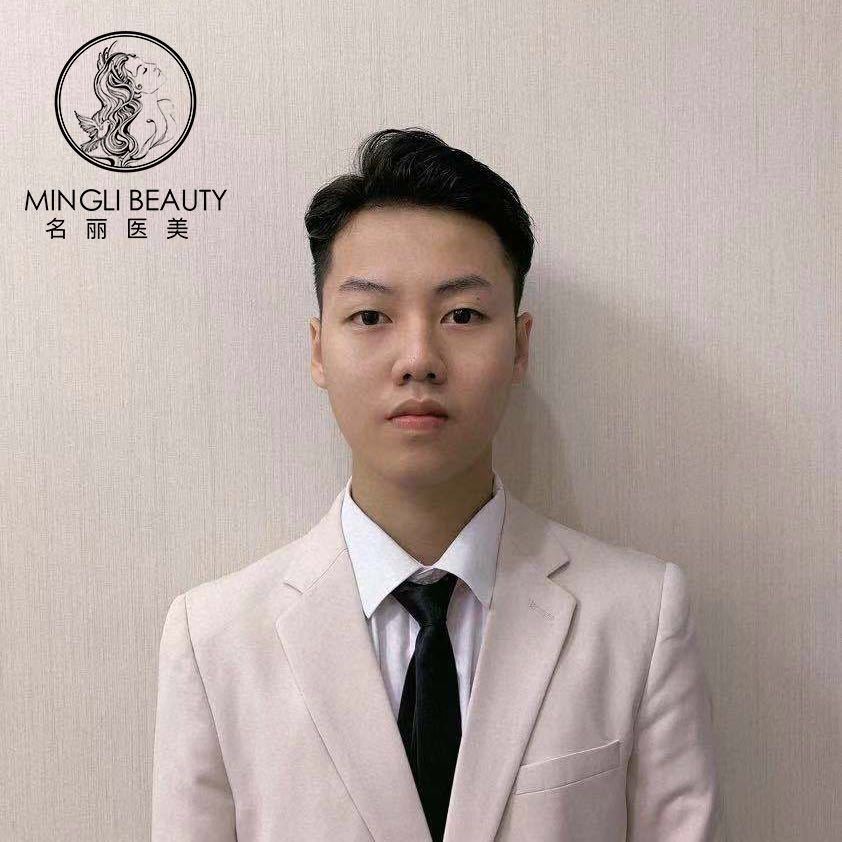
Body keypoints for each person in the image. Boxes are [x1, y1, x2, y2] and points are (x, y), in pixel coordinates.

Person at [151, 127, 720, 841]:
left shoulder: (639, 616)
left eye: (462, 315)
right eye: (370, 316)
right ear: (319, 348)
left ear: (520, 346)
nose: (418, 357)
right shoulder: (215, 641)